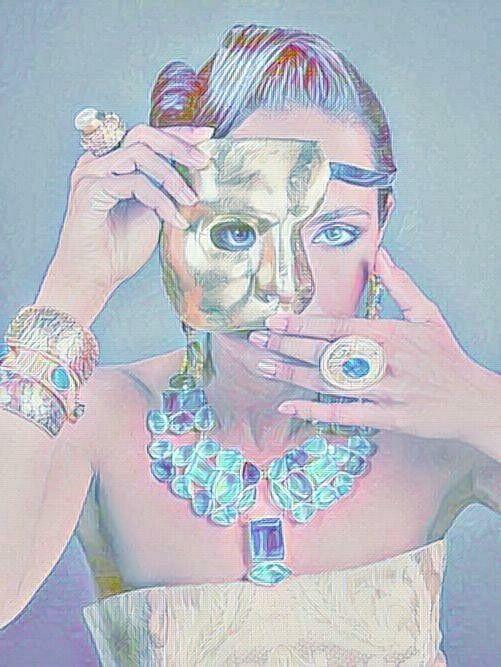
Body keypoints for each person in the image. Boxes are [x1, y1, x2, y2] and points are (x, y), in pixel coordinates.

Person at [0, 23, 499, 666]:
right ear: (169, 231)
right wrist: (74, 288)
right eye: (236, 233)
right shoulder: (93, 418)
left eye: (336, 233)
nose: (286, 286)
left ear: (382, 225)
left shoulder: (443, 426)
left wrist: (482, 406)